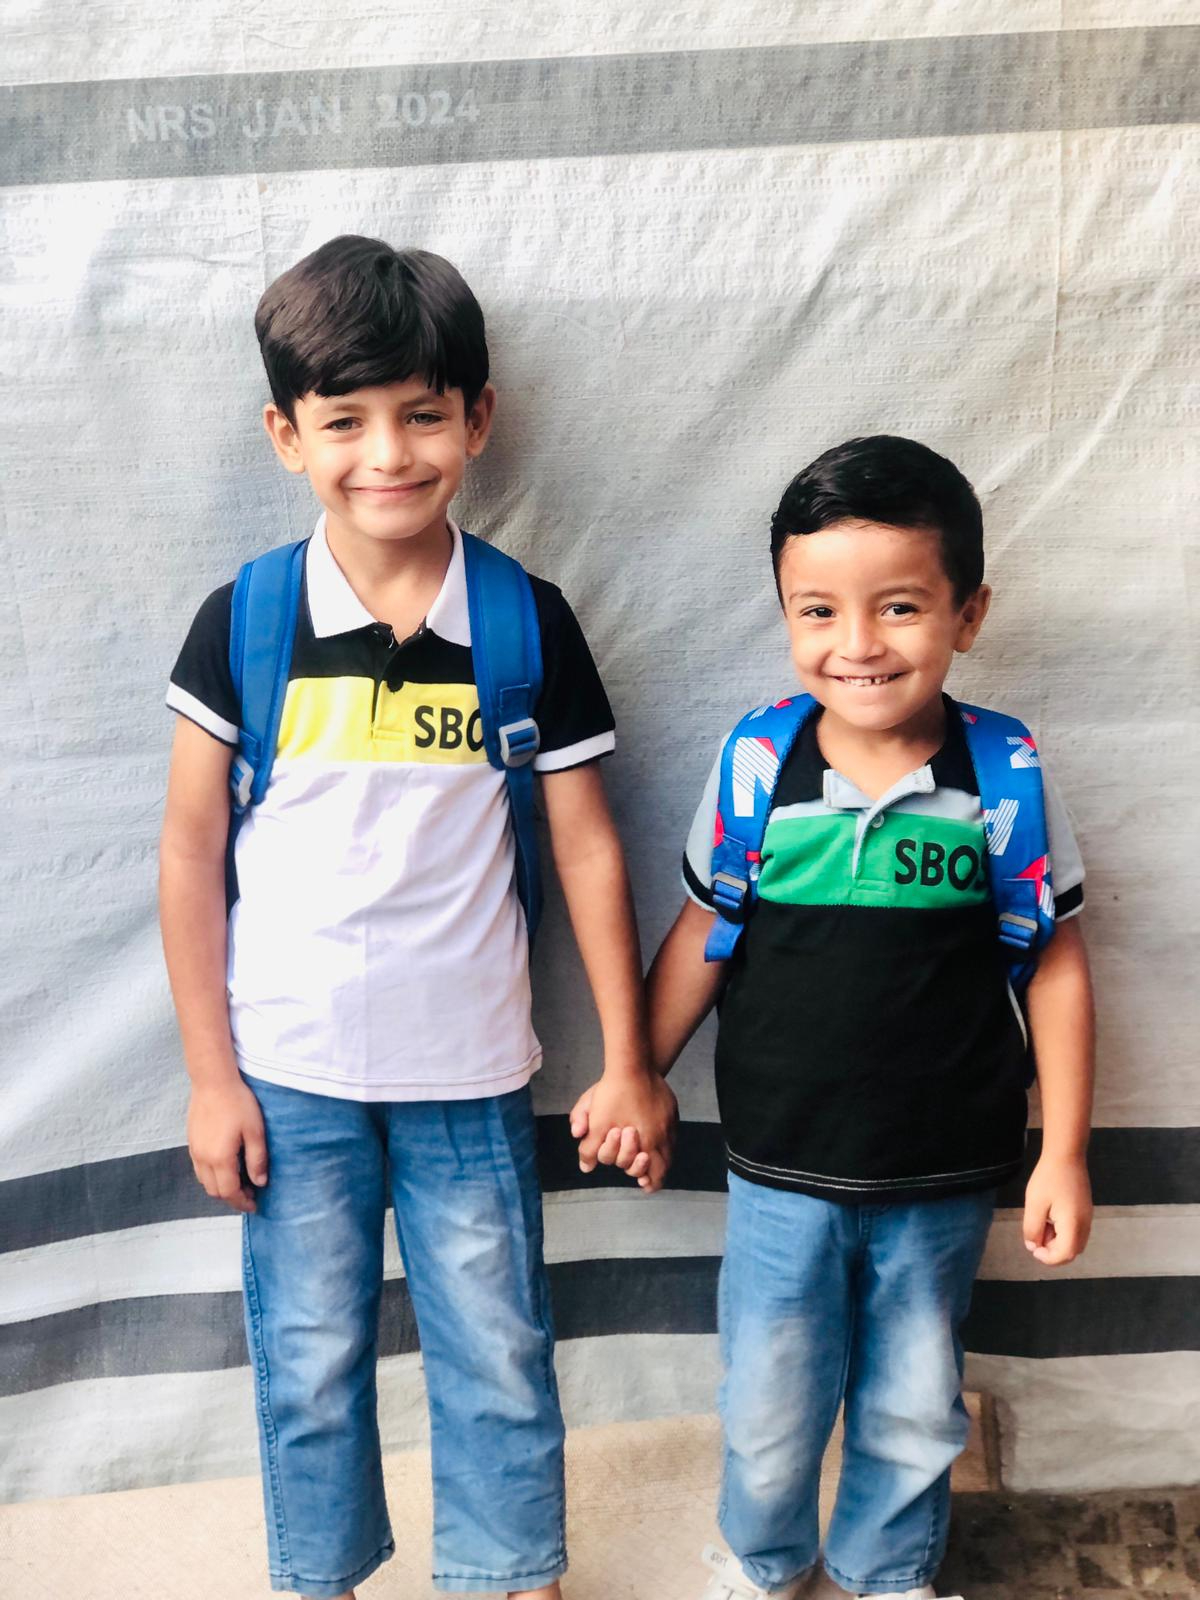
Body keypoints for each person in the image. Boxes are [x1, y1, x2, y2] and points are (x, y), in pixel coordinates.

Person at [158, 234, 676, 1600]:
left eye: (422, 415)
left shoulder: (524, 624)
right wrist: (210, 1076)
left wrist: (628, 1061)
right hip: (289, 1073)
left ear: (477, 420)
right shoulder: (247, 623)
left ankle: (511, 1572)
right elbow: (190, 851)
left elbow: (589, 849)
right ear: (286, 436)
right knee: (309, 1353)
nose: (386, 454)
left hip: (470, 1073)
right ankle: (318, 1574)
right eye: (344, 421)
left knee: (496, 1344)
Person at [630, 436, 1094, 1599]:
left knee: (913, 1401)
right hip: (780, 1167)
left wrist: (1066, 1152)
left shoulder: (1005, 773)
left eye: (899, 606)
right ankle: (766, 1561)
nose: (859, 643)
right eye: (819, 610)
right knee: (769, 1399)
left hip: (944, 1171)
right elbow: (702, 929)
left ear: (968, 612)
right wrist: (636, 1072)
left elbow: (1053, 966)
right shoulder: (759, 763)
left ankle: (888, 1569)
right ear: (787, 615)